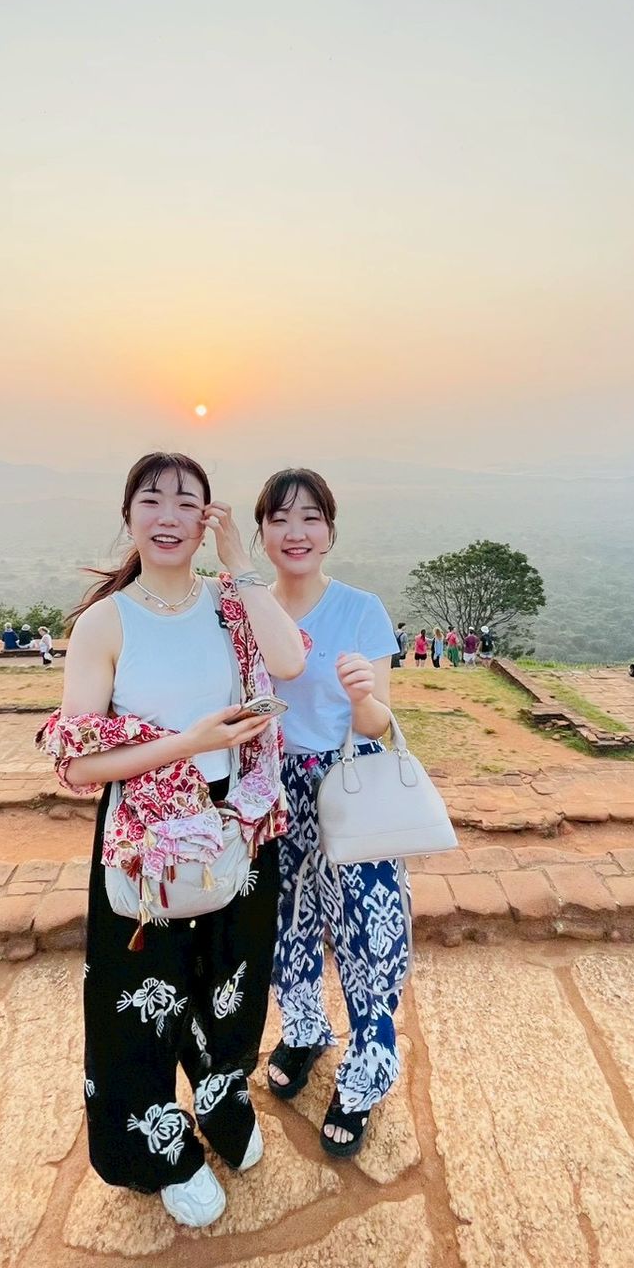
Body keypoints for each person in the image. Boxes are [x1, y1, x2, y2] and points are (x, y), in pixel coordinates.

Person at [37, 451, 305, 1229]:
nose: (168, 516)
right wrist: (188, 743)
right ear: (128, 517)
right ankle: (158, 1148)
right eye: (151, 500)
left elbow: (288, 660)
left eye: (188, 502)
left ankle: (222, 1101)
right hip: (146, 834)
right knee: (137, 998)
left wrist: (241, 562)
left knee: (233, 977)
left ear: (206, 518)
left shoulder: (229, 604)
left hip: (235, 820)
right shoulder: (105, 622)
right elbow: (78, 763)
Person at [256, 467, 411, 1159]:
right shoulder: (249, 609)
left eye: (311, 517)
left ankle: (364, 1075)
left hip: (348, 784)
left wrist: (361, 697)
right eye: (280, 518)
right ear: (262, 533)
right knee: (283, 928)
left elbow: (380, 722)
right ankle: (305, 1030)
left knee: (367, 937)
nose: (296, 532)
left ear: (330, 531)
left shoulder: (360, 609)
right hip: (272, 790)